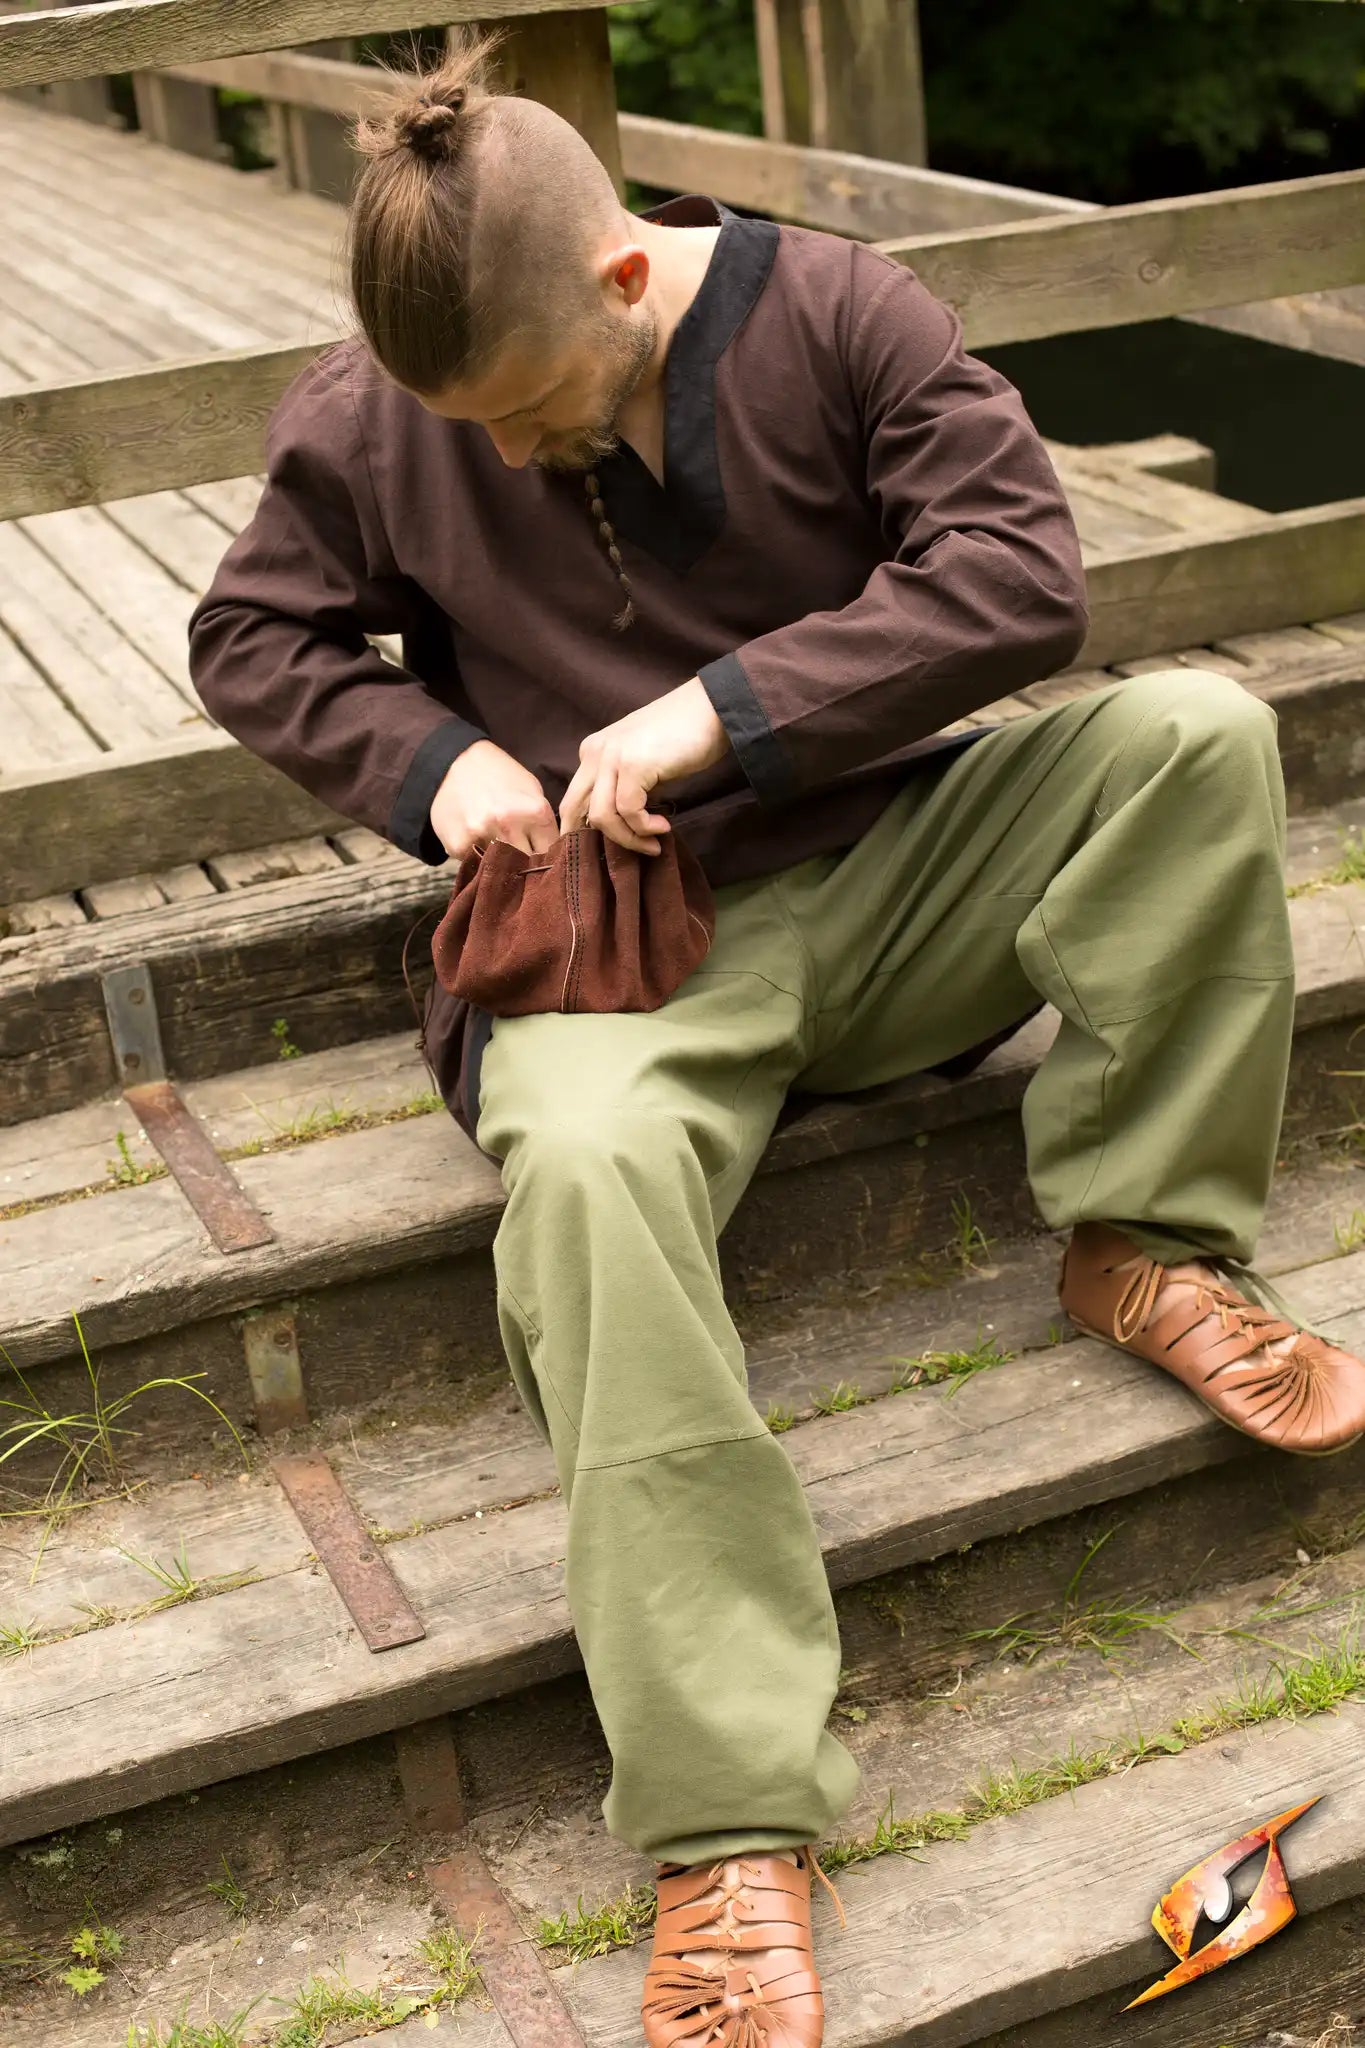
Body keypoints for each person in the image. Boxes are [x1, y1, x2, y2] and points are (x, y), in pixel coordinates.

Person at [187, 36, 1365, 2047]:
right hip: (625, 959)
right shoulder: (392, 415)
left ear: (627, 282)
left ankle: (1143, 1237)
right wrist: (447, 765)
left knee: (1193, 737)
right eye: (469, 435)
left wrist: (715, 713)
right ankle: (729, 1817)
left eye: (536, 420)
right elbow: (252, 635)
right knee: (576, 1169)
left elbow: (1017, 574)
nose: (511, 461)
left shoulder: (839, 310)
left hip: (894, 877)